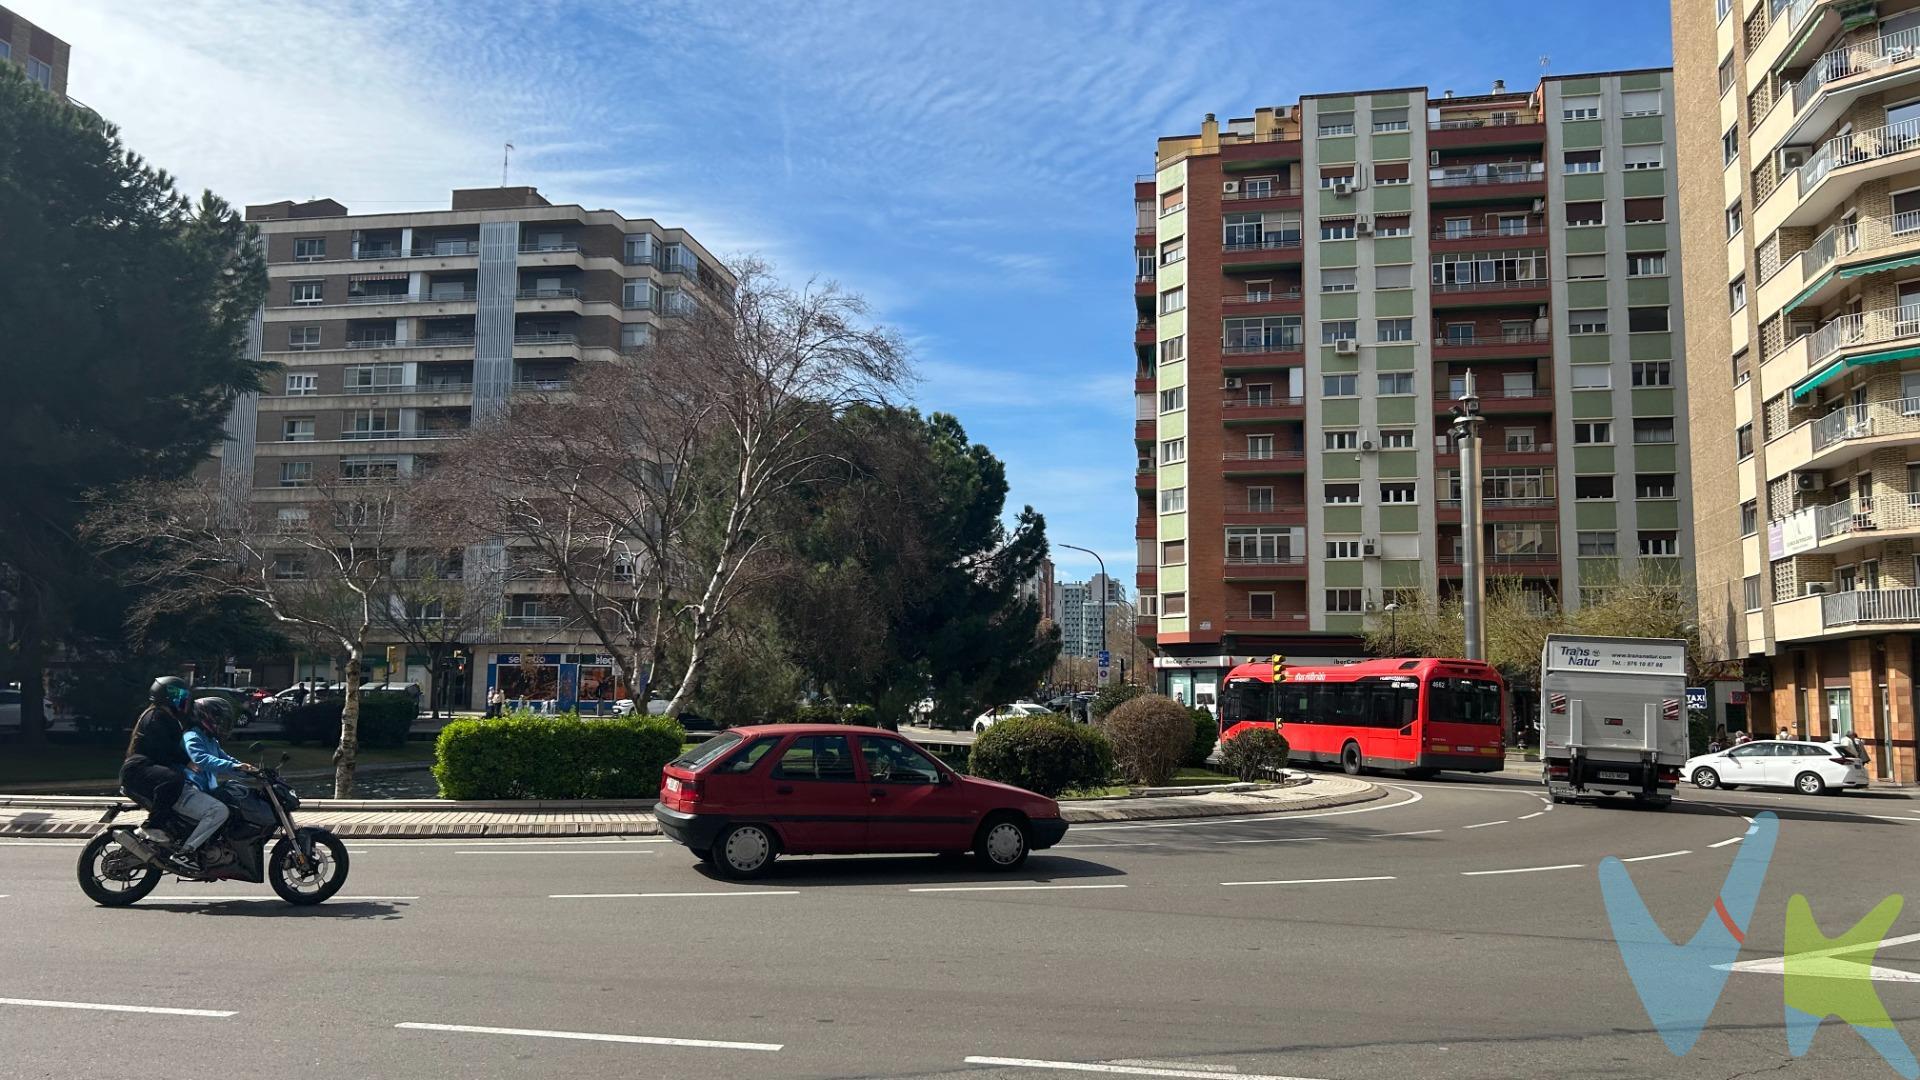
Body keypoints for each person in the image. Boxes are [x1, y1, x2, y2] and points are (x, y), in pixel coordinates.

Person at [119, 677, 200, 874]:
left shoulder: (165, 716)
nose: (184, 701)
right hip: (139, 769)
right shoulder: (156, 717)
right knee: (173, 779)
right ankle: (152, 826)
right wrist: (186, 761)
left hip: (143, 767)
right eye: (180, 696)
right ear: (167, 697)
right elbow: (166, 748)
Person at [177, 698, 258, 865]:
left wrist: (252, 773)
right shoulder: (192, 736)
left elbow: (227, 760)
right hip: (186, 791)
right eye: (218, 718)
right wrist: (235, 766)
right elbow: (201, 759)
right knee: (218, 811)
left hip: (201, 791)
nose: (221, 723)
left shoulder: (211, 741)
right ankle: (186, 853)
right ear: (206, 717)